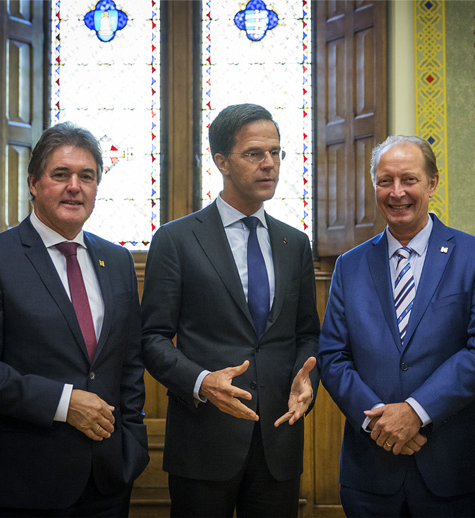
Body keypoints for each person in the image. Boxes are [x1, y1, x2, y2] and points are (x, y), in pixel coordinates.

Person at [0, 122, 149, 516]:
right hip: (25, 484)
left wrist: (132, 444)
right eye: (61, 174)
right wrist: (63, 402)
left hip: (108, 481)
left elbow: (130, 363)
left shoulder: (119, 261)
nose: (75, 186)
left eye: (86, 176)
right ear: (34, 184)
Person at [141, 103, 320, 517]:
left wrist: (305, 380)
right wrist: (202, 381)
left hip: (279, 440)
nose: (269, 164)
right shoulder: (177, 239)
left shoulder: (294, 244)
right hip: (204, 440)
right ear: (221, 161)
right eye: (254, 153)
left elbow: (307, 333)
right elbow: (151, 339)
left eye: (276, 153)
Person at [318, 135, 475, 517]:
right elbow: (333, 356)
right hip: (371, 472)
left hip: (453, 471)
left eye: (409, 179)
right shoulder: (349, 266)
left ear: (432, 183)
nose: (396, 192)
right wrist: (380, 423)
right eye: (385, 181)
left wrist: (415, 412)